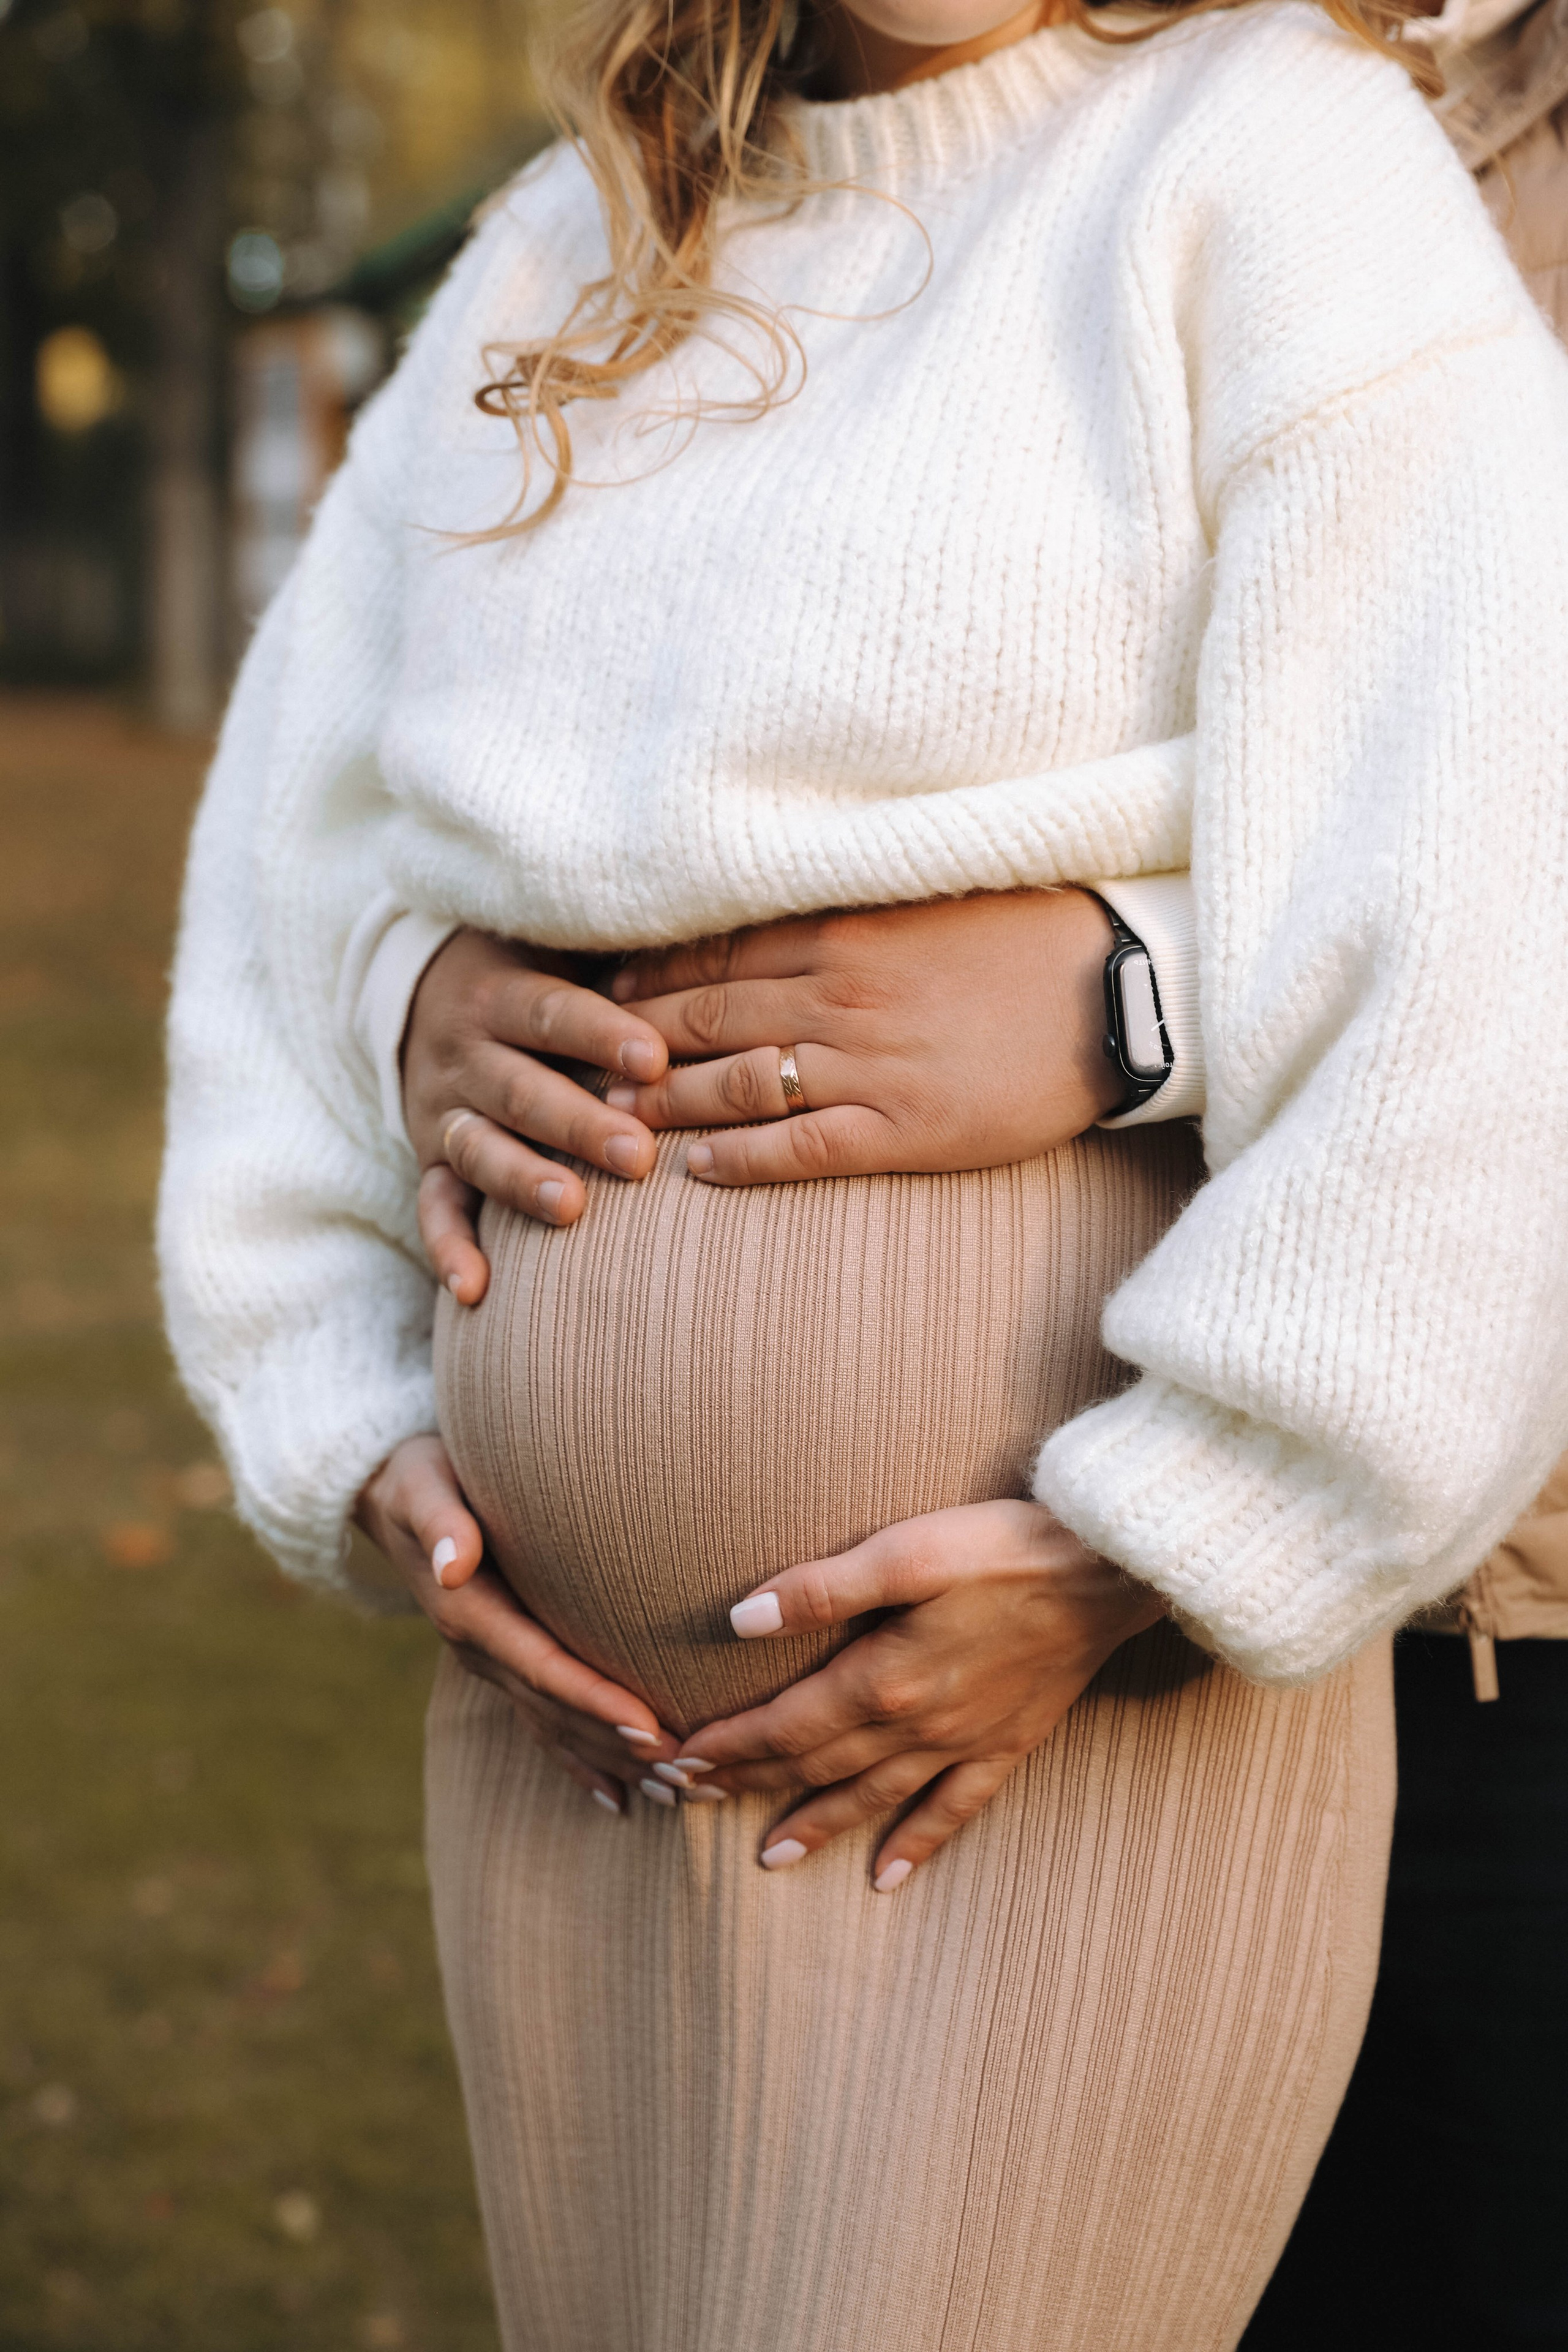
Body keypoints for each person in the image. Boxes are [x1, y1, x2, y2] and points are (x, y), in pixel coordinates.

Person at [157, 0, 1568, 2337]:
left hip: (1054, 1710)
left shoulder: (1274, 173)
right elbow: (293, 858)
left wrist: (1180, 1535)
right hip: (564, 1755)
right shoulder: (557, 253)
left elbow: (1473, 927)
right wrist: (356, 1350)